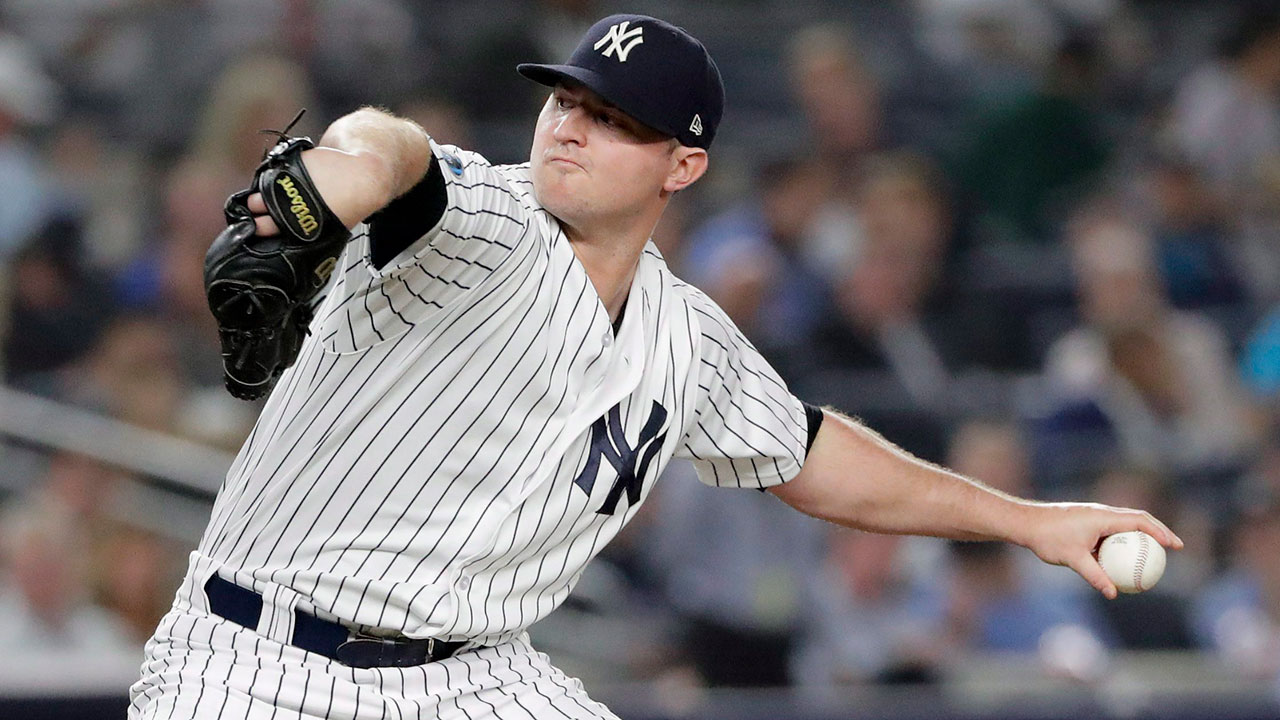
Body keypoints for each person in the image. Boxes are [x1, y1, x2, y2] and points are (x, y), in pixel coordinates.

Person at [129, 14, 1182, 719]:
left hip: (470, 681)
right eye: (566, 103)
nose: (570, 130)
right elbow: (392, 149)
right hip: (258, 662)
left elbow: (811, 456)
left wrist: (1033, 522)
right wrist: (337, 176)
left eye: (612, 120)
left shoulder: (685, 336)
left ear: (682, 164)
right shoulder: (481, 218)